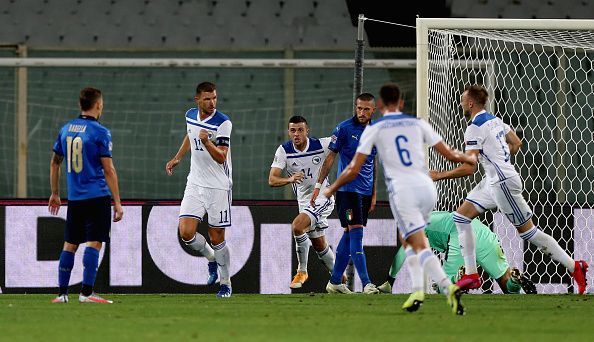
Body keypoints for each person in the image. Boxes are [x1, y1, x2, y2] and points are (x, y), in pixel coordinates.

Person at [323, 83, 476, 315]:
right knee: (414, 241)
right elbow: (448, 153)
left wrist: (331, 187)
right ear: (401, 103)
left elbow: (353, 169)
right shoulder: (417, 123)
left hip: (403, 190)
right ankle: (420, 291)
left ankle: (445, 287)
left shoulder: (375, 130)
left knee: (413, 243)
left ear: (380, 106)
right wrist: (469, 157)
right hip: (426, 187)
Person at [430, 85, 588, 294]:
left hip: (502, 183)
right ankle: (471, 274)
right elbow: (516, 142)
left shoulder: (474, 128)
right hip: (493, 180)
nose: (460, 103)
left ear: (470, 103)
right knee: (460, 218)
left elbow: (469, 167)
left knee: (529, 233)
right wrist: (499, 160)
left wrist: (438, 175)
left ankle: (574, 266)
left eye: (462, 100)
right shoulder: (495, 121)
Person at [49, 87, 123, 304]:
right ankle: (86, 293)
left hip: (75, 198)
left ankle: (62, 294)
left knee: (69, 243)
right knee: (95, 242)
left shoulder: (66, 130)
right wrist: (117, 203)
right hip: (97, 196)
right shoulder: (100, 132)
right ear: (98, 105)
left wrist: (55, 193)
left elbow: (55, 162)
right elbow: (109, 170)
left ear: (80, 105)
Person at [165, 82, 233, 298]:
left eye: (214, 98)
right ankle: (211, 258)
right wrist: (178, 157)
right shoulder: (190, 115)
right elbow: (190, 134)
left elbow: (221, 156)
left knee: (217, 237)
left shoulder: (223, 123)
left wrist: (207, 142)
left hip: (218, 186)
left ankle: (226, 283)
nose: (212, 102)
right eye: (207, 99)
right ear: (197, 100)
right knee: (185, 232)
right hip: (195, 183)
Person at [311, 93, 379, 295]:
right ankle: (366, 283)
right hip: (346, 191)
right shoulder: (344, 128)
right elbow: (330, 158)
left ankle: (334, 282)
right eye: (359, 108)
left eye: (366, 109)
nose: (361, 112)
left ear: (372, 110)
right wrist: (318, 186)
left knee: (349, 234)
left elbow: (373, 163)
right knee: (357, 231)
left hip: (365, 192)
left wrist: (374, 193)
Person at [377, 211, 537, 295]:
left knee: (443, 288)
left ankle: (458, 278)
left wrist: (390, 281)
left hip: (459, 235)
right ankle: (515, 280)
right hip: (483, 233)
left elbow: (403, 252)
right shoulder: (433, 216)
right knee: (506, 283)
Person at [268, 115, 337, 289]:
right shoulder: (284, 151)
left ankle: (302, 271)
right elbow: (272, 180)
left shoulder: (321, 145)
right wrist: (290, 179)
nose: (296, 134)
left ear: (307, 131)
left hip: (323, 197)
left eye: (300, 130)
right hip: (304, 202)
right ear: (289, 132)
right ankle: (340, 280)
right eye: (293, 130)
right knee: (319, 244)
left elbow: (341, 139)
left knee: (297, 226)